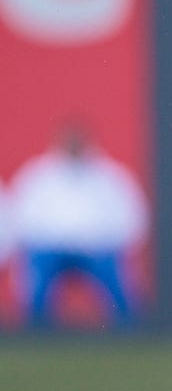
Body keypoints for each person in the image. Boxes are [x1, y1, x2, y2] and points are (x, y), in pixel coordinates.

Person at [7, 119, 148, 328]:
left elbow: (133, 217)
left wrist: (110, 241)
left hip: (97, 250)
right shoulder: (38, 175)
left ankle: (129, 331)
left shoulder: (110, 176)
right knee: (36, 278)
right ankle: (35, 331)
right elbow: (20, 216)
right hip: (49, 250)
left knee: (120, 283)